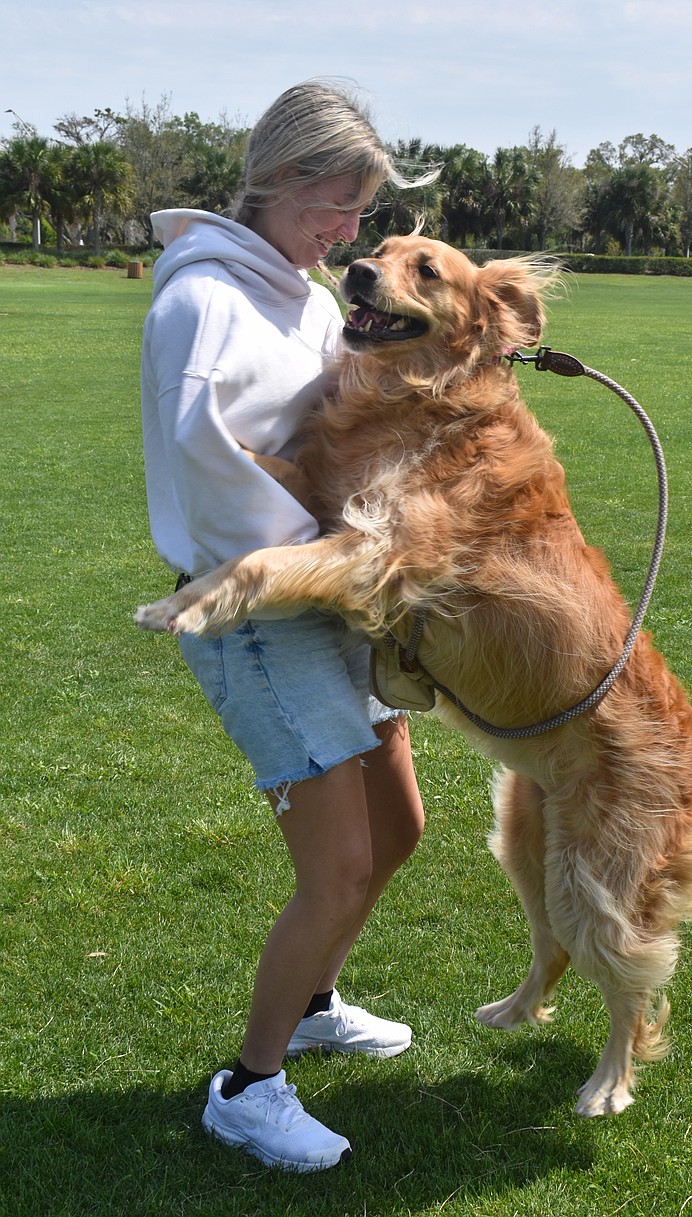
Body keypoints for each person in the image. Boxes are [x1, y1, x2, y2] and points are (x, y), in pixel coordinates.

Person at [140, 80, 433, 1172]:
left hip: (333, 595)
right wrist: (351, 556)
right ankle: (248, 1087)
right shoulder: (202, 304)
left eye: (361, 209)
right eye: (335, 203)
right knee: (340, 866)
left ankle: (314, 1002)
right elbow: (213, 481)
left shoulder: (306, 294)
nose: (348, 231)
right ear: (275, 179)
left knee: (397, 830)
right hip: (255, 610)